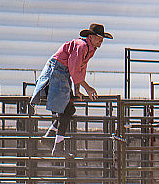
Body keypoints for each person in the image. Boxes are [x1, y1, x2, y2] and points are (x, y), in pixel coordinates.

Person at [29, 23, 112, 156]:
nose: (101, 40)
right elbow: (75, 70)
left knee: (69, 109)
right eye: (98, 37)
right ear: (90, 37)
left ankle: (50, 138)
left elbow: (79, 69)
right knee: (67, 109)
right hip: (57, 71)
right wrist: (88, 88)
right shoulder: (82, 46)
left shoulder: (89, 48)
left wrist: (77, 89)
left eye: (102, 38)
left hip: (62, 72)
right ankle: (57, 146)